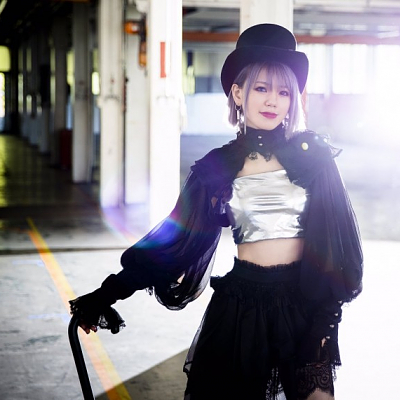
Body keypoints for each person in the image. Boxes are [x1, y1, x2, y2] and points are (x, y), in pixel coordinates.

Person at [70, 24, 363, 400]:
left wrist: (325, 320)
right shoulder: (217, 167)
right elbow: (174, 243)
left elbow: (338, 247)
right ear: (238, 93)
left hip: (305, 307)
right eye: (262, 88)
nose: (273, 101)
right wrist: (105, 295)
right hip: (240, 312)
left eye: (284, 91)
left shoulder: (313, 158)